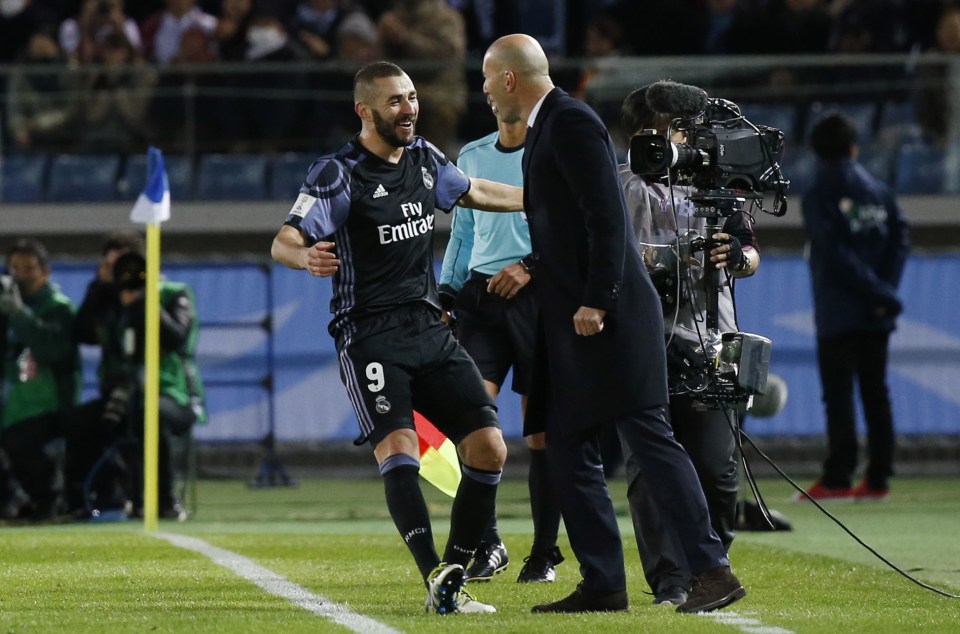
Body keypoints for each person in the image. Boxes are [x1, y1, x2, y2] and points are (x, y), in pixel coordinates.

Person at [481, 34, 744, 614]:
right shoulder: (548, 128)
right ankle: (603, 580)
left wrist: (598, 298)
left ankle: (711, 570)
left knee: (649, 439)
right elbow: (567, 225)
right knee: (568, 446)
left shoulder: (571, 122)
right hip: (573, 320)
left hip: (609, 318)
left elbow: (604, 215)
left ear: (507, 80)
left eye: (486, 78)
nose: (481, 90)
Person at [270, 60, 523, 615]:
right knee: (401, 450)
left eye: (411, 97)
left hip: (428, 327)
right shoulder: (337, 173)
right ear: (365, 111)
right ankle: (432, 571)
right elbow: (284, 239)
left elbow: (475, 190)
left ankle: (451, 581)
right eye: (394, 101)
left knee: (489, 447)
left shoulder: (426, 160)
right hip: (369, 334)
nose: (408, 108)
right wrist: (303, 255)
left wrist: (539, 197)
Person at [615, 84, 761, 605]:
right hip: (644, 338)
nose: (673, 140)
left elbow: (749, 252)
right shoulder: (619, 187)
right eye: (661, 130)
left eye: (679, 129)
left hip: (711, 336)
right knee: (648, 469)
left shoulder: (721, 185)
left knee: (718, 469)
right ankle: (670, 582)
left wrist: (735, 257)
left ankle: (710, 562)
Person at [438, 108, 564, 583]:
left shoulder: (551, 154)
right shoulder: (472, 154)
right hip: (482, 301)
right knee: (468, 424)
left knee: (541, 436)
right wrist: (446, 293)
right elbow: (464, 234)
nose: (489, 91)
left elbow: (572, 226)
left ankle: (543, 553)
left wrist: (530, 265)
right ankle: (488, 542)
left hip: (541, 301)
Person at [798, 113, 910, 502]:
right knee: (876, 392)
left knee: (840, 394)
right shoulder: (880, 191)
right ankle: (878, 479)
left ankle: (838, 478)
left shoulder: (818, 194)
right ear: (853, 146)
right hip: (876, 312)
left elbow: (833, 253)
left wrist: (875, 292)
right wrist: (885, 294)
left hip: (838, 310)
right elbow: (900, 240)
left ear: (816, 151)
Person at [69, 233, 205, 520]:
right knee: (81, 421)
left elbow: (178, 338)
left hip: (171, 394)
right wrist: (99, 287)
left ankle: (164, 501)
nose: (124, 274)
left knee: (146, 413)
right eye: (114, 266)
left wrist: (145, 301)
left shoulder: (173, 293)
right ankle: (102, 500)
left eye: (127, 265)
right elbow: (81, 333)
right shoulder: (108, 299)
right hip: (121, 394)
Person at [0, 238, 81, 521]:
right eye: (14, 268)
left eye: (28, 268)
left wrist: (19, 314)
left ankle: (47, 500)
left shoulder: (59, 308)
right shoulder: (6, 309)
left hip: (54, 404)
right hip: (17, 403)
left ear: (45, 272)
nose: (20, 275)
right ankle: (13, 499)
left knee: (18, 439)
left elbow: (52, 351)